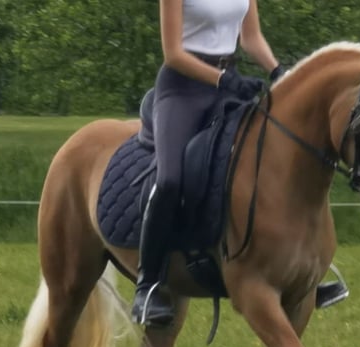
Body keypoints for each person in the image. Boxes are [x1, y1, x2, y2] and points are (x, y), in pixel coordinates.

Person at [132, 0, 346, 326]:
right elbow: (173, 54)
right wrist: (222, 80)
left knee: (271, 157)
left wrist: (278, 72)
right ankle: (147, 285)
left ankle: (304, 271)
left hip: (227, 84)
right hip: (182, 90)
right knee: (171, 179)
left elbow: (251, 38)